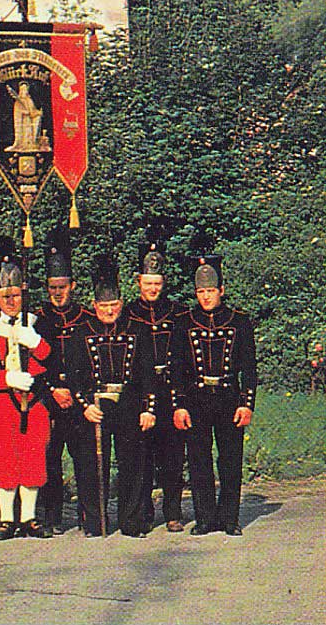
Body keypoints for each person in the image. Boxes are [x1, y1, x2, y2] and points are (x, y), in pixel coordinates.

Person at [65, 257, 157, 538]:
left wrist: (148, 408)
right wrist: (84, 406)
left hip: (129, 402)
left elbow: (147, 374)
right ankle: (94, 522)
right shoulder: (81, 333)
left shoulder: (138, 330)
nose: (109, 311)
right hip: (96, 404)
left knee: (132, 463)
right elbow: (74, 376)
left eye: (113, 305)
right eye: (103, 306)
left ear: (121, 303)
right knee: (92, 465)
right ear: (94, 307)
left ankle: (132, 521)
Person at [170, 243, 257, 536]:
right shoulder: (184, 323)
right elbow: (177, 368)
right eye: (201, 292)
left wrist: (247, 404)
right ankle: (206, 518)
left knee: (230, 459)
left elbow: (250, 368)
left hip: (229, 398)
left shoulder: (239, 321)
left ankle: (230, 518)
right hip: (196, 399)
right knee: (198, 460)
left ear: (221, 290)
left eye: (211, 291)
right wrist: (179, 405)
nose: (206, 297)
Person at [0, 236, 53, 540]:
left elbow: (53, 360)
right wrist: (5, 379)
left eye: (15, 295)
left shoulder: (38, 324)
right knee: (3, 457)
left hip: (33, 400)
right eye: (5, 295)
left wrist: (36, 343)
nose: (11, 301)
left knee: (32, 455)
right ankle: (6, 518)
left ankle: (29, 517)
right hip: (2, 403)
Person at [124, 229, 187, 533]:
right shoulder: (128, 313)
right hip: (139, 392)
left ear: (164, 283)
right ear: (139, 282)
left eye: (157, 283)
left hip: (171, 388)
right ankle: (145, 512)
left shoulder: (177, 311)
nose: (153, 289)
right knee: (142, 455)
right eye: (148, 283)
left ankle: (173, 511)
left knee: (172, 454)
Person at [34, 223, 92, 535]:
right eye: (53, 287)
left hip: (80, 402)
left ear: (72, 285)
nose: (58, 293)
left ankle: (88, 514)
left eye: (63, 286)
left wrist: (77, 391)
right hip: (50, 401)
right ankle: (53, 516)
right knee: (50, 461)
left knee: (84, 461)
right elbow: (33, 364)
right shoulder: (38, 320)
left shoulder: (87, 319)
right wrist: (53, 389)